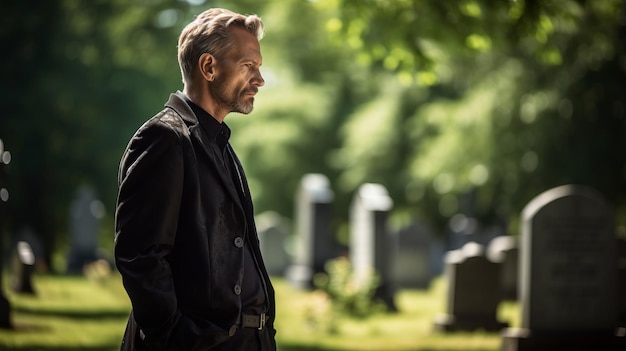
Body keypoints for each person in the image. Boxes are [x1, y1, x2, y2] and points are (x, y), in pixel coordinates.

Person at [114, 8, 276, 351]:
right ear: (209, 67)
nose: (260, 79)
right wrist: (178, 337)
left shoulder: (219, 142)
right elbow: (139, 256)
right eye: (249, 65)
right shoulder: (165, 139)